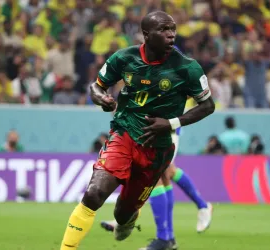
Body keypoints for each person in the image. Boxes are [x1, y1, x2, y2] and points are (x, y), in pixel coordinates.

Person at [60, 11, 215, 250]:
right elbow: (96, 86)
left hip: (157, 148)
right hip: (124, 135)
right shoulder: (124, 58)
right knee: (93, 194)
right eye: (164, 30)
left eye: (172, 29)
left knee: (123, 213)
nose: (171, 35)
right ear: (146, 35)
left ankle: (129, 222)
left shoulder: (187, 68)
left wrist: (172, 122)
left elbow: (208, 106)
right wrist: (101, 97)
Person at [101, 128, 214, 250]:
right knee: (166, 172)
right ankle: (169, 237)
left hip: (162, 127)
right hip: (155, 127)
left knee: (153, 174)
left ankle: (163, 237)